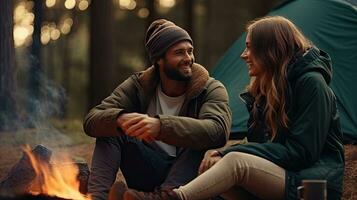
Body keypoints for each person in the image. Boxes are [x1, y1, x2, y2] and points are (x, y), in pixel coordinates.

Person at [121, 16, 345, 200]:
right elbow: (261, 145)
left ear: (269, 50)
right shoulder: (265, 89)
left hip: (311, 185)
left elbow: (302, 153)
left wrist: (229, 151)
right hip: (281, 175)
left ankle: (170, 199)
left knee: (234, 162)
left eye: (249, 48)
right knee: (214, 168)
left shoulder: (311, 84)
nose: (243, 55)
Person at [83, 19, 232, 200]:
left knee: (199, 135)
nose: (188, 58)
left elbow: (218, 131)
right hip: (149, 167)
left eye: (190, 51)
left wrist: (161, 127)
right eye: (179, 53)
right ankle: (97, 197)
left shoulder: (211, 88)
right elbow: (92, 119)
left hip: (187, 178)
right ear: (159, 60)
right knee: (111, 127)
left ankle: (161, 197)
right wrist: (120, 120)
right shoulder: (138, 85)